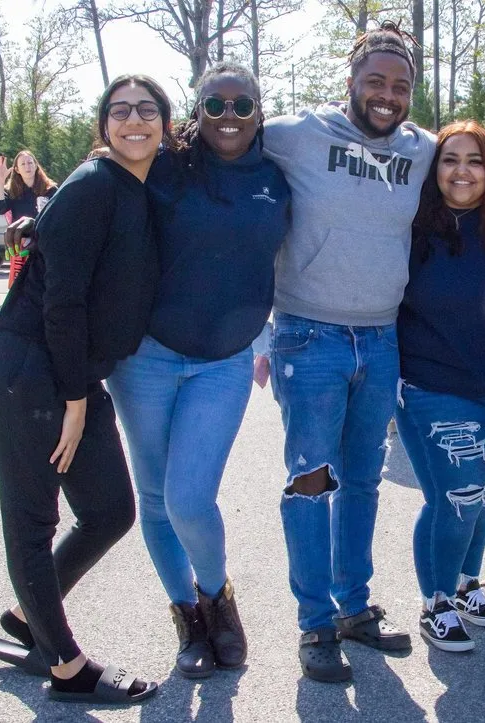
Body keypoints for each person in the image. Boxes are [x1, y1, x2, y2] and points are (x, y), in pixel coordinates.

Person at [0, 74, 171, 706]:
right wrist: (76, 401)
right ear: (103, 124)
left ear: (165, 124)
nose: (134, 120)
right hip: (25, 367)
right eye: (120, 111)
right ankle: (65, 667)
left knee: (111, 510)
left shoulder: (137, 188)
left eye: (148, 110)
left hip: (69, 371)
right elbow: (63, 303)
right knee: (33, 520)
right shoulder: (91, 187)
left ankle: (33, 619)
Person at [263, 21, 437, 682]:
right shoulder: (298, 134)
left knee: (363, 480)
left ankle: (353, 608)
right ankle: (314, 623)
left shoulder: (423, 149)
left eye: (400, 85)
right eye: (375, 83)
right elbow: (218, 138)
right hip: (310, 336)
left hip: (383, 337)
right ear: (351, 84)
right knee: (313, 480)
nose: (387, 96)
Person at [105, 62, 290, 679]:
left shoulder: (279, 177)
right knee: (156, 500)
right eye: (216, 105)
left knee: (189, 497)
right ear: (198, 109)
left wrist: (268, 333)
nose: (229, 118)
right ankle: (187, 616)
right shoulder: (164, 166)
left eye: (242, 106)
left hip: (225, 361)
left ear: (259, 111)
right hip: (146, 359)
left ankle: (218, 597)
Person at [396, 121, 485, 652]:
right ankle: (435, 602)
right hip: (435, 385)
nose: (462, 171)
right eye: (450, 159)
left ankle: (464, 583)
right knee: (457, 496)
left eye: (475, 160)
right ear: (436, 169)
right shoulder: (412, 226)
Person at [0, 150, 58, 287]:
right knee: (20, 287)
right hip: (20, 245)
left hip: (44, 244)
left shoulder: (50, 189)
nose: (27, 166)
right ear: (17, 169)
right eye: (23, 164)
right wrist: (1, 178)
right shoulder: (12, 191)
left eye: (30, 162)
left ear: (36, 165)